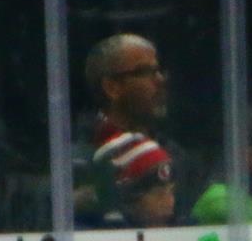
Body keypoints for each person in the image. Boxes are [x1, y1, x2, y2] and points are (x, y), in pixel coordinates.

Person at [77, 34, 198, 223]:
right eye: (145, 72)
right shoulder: (78, 162)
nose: (160, 80)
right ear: (112, 87)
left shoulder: (176, 155)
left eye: (159, 71)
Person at [88, 132, 175, 229]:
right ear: (131, 200)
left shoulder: (184, 234)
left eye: (172, 191)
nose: (170, 202)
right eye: (159, 194)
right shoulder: (105, 240)